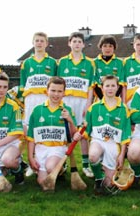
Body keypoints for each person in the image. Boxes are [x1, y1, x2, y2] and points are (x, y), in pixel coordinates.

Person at [73, 75, 131, 195]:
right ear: (102, 88)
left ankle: (103, 173)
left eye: (113, 86)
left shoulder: (124, 109)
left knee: (108, 184)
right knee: (93, 156)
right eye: (107, 86)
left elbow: (125, 135)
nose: (110, 89)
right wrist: (80, 134)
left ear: (118, 87)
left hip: (113, 144)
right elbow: (86, 130)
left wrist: (121, 155)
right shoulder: (94, 108)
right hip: (98, 141)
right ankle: (98, 178)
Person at [26, 76, 77, 190]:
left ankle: (60, 167)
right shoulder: (37, 110)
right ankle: (56, 170)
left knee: (50, 167)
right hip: (41, 149)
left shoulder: (67, 109)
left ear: (64, 93)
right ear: (47, 91)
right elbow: (30, 137)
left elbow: (74, 135)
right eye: (53, 90)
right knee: (43, 183)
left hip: (58, 149)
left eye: (59, 91)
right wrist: (30, 157)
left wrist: (70, 120)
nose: (56, 94)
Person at [57, 32, 95, 177]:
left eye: (80, 41)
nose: (77, 44)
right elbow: (58, 83)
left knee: (83, 134)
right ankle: (63, 163)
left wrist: (88, 104)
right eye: (74, 41)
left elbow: (91, 86)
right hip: (66, 101)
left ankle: (85, 165)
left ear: (84, 44)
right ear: (69, 43)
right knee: (65, 132)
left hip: (82, 102)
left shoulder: (89, 63)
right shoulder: (62, 62)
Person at [19, 32, 58, 176]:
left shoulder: (53, 62)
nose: (39, 43)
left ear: (46, 43)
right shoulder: (26, 63)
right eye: (37, 41)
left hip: (45, 99)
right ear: (33, 43)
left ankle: (54, 161)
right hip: (31, 100)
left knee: (48, 129)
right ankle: (32, 162)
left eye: (42, 41)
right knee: (31, 131)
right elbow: (23, 85)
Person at [93, 35, 126, 101]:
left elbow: (121, 83)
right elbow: (94, 84)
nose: (107, 49)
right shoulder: (94, 62)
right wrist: (103, 99)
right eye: (105, 46)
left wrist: (113, 98)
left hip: (115, 99)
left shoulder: (120, 63)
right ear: (100, 47)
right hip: (99, 99)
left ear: (114, 48)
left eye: (110, 46)